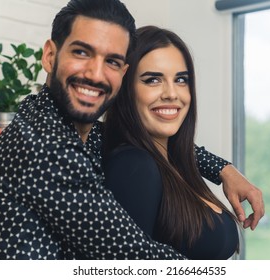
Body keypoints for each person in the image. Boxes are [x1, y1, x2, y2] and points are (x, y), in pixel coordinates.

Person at [0, 0, 263, 260]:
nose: (96, 74)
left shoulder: (67, 127)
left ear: (122, 73)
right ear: (49, 56)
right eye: (82, 52)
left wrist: (223, 169)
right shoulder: (46, 145)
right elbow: (134, 257)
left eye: (111, 61)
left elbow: (141, 136)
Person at [103, 26, 241, 259]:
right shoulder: (134, 166)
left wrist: (224, 169)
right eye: (153, 80)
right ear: (125, 89)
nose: (171, 94)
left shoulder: (177, 165)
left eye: (181, 80)